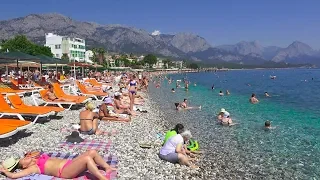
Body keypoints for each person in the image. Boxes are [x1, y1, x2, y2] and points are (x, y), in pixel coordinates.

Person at [0, 150, 116, 179]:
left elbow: (36, 152)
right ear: (24, 166)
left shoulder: (38, 157)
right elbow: (14, 176)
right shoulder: (33, 168)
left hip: (70, 164)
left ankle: (107, 167)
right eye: (23, 160)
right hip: (65, 172)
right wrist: (5, 171)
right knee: (86, 158)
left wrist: (30, 154)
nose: (26, 157)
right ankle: (101, 178)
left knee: (92, 152)